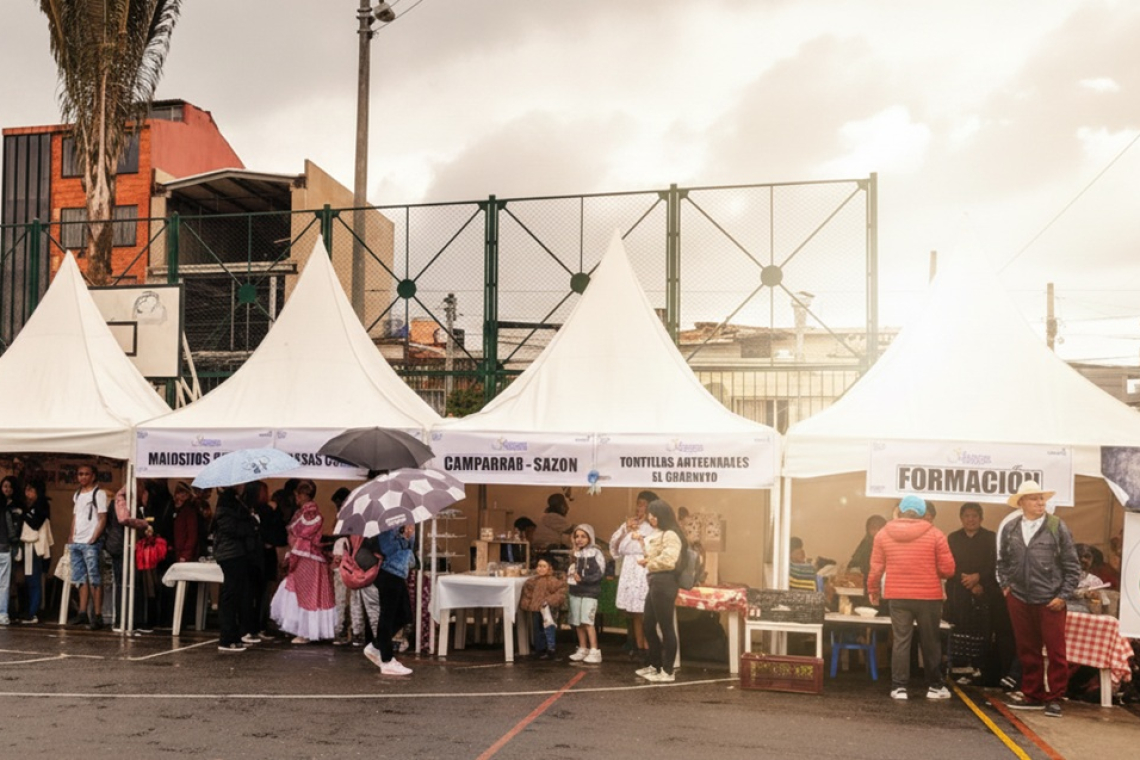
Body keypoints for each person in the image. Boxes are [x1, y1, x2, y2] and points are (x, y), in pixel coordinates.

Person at [996, 481, 1081, 718]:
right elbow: (1002, 561)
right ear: (1021, 502)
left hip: (1050, 599)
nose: (1040, 502)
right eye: (1034, 498)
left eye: (1041, 498)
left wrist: (1063, 596)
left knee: (1056, 652)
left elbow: (1073, 566)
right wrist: (1006, 587)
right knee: (1027, 649)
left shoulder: (1057, 526)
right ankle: (1032, 694)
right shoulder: (1011, 528)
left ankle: (1055, 698)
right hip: (1019, 597)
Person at [867, 494, 955, 701]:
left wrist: (873, 590)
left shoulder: (883, 534)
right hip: (928, 596)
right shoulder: (935, 534)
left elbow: (876, 567)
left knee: (901, 640)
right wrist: (933, 572)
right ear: (923, 513)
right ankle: (935, 687)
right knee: (930, 641)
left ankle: (899, 688)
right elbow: (949, 569)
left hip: (897, 596)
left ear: (899, 511)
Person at [271, 481, 336, 644]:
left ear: (302, 495)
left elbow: (302, 535)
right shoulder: (305, 513)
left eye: (298, 495)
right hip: (305, 558)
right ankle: (303, 629)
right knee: (299, 592)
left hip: (307, 559)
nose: (297, 499)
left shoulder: (311, 514)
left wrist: (292, 554)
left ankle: (306, 631)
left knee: (305, 594)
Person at [633, 499, 686, 683]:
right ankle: (655, 665)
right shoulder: (659, 533)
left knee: (666, 626)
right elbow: (654, 554)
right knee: (648, 624)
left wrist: (649, 563)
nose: (651, 518)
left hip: (665, 581)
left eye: (654, 515)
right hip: (655, 580)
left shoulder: (671, 534)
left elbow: (669, 560)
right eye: (650, 515)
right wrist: (641, 543)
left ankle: (668, 670)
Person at [944, 502, 998, 683]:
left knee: (982, 630)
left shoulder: (992, 538)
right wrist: (966, 580)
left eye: (974, 515)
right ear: (961, 518)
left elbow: (995, 564)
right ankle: (958, 669)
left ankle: (980, 669)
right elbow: (948, 564)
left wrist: (979, 578)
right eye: (967, 516)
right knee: (959, 628)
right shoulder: (953, 538)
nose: (971, 519)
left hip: (984, 590)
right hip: (958, 590)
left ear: (981, 518)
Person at [364, 524, 417, 676]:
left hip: (400, 572)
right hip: (387, 571)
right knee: (388, 615)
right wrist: (403, 537)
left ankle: (376, 646)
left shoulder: (404, 522)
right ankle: (387, 660)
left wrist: (409, 536)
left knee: (405, 615)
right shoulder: (385, 524)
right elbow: (386, 549)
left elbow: (410, 548)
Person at [609, 490, 657, 658]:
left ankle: (651, 646)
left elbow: (655, 549)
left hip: (644, 568)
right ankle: (639, 647)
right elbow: (615, 549)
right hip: (629, 568)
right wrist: (626, 531)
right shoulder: (628, 524)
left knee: (646, 610)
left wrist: (641, 539)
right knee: (635, 612)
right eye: (638, 503)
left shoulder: (654, 526)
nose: (640, 507)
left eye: (644, 504)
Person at [213, 486, 257, 653]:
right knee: (230, 594)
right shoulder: (226, 504)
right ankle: (227, 637)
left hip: (237, 553)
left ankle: (234, 635)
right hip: (230, 554)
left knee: (236, 594)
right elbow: (232, 528)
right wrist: (250, 524)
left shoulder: (237, 503)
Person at [68, 463, 108, 630]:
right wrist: (71, 536)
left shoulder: (99, 494)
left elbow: (102, 517)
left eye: (86, 474)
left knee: (95, 578)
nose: (82, 477)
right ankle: (82, 613)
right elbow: (75, 517)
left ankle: (98, 615)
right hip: (77, 540)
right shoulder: (77, 494)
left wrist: (94, 537)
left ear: (93, 476)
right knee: (80, 578)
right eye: (80, 474)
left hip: (90, 541)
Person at [565, 524, 605, 664]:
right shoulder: (574, 554)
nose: (579, 540)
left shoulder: (596, 553)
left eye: (583, 536)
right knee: (578, 622)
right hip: (575, 591)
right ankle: (583, 648)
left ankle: (594, 650)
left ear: (590, 537)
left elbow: (599, 573)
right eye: (577, 536)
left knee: (587, 621)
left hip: (590, 592)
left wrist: (584, 579)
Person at [519, 554, 567, 660]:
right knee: (538, 628)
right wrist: (529, 603)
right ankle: (540, 648)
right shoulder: (532, 581)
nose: (540, 568)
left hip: (548, 610)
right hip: (536, 609)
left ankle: (551, 648)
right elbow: (528, 592)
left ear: (550, 568)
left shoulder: (553, 581)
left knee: (548, 628)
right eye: (539, 566)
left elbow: (560, 592)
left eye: (544, 566)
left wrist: (549, 601)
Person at [19, 480, 52, 624]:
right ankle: (29, 610)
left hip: (35, 546)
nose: (28, 493)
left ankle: (33, 612)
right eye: (26, 490)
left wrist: (24, 513)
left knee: (34, 580)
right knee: (29, 579)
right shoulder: (29, 506)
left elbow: (34, 524)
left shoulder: (42, 505)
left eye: (31, 490)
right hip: (28, 546)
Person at [0, 476, 19, 625]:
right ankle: (3, 613)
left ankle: (3, 612)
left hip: (5, 547)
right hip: (5, 546)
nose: (6, 489)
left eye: (9, 487)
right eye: (4, 486)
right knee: (4, 583)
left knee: (5, 583)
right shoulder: (11, 508)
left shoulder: (12, 507)